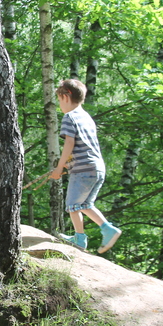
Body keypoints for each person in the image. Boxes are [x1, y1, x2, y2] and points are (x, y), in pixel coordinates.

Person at [49, 79, 121, 253]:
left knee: (73, 205)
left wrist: (59, 167)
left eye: (59, 100)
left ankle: (80, 240)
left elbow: (70, 143)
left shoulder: (69, 117)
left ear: (66, 97)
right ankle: (108, 229)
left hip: (83, 169)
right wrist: (69, 163)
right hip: (96, 167)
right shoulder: (86, 117)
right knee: (85, 204)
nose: (60, 105)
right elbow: (85, 145)